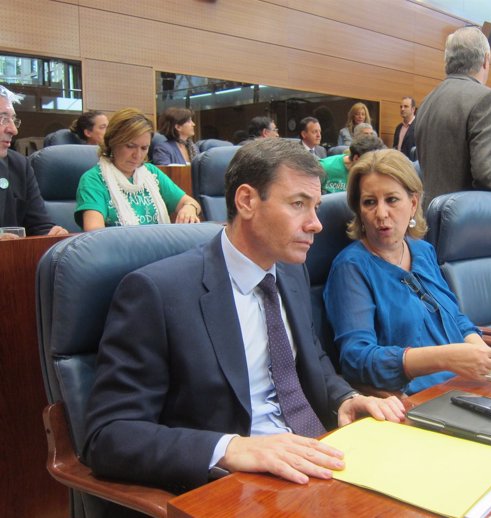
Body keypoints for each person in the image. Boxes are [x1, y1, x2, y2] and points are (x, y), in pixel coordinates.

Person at [83, 138, 405, 495]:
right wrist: (230, 448)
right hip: (239, 486)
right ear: (247, 201)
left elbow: (311, 362)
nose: (316, 224)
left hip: (319, 460)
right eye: (298, 204)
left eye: (315, 207)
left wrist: (345, 398)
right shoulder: (156, 293)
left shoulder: (291, 271)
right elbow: (109, 435)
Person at [324, 149, 491, 396]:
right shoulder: (351, 268)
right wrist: (445, 358)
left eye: (391, 199)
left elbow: (454, 317)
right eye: (369, 202)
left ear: (413, 204)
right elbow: (356, 361)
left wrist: (481, 351)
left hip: (469, 385)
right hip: (415, 401)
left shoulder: (423, 251)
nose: (381, 213)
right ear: (359, 210)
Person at [415, 26, 491, 214]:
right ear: (486, 59)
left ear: (448, 61)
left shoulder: (427, 102)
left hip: (429, 221)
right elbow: (488, 171)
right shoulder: (485, 98)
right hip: (471, 226)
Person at [75, 108, 201, 230]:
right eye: (130, 146)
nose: (137, 155)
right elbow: (94, 232)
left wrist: (189, 208)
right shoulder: (93, 179)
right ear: (112, 142)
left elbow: (192, 203)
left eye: (144, 148)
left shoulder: (151, 172)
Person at [0, 85, 68, 240]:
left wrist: (51, 235)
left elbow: (39, 226)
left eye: (13, 120)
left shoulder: (19, 166)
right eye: (3, 119)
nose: (13, 130)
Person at [320, 134, 386, 193]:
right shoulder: (324, 167)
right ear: (356, 158)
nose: (374, 165)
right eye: (370, 161)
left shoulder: (376, 172)